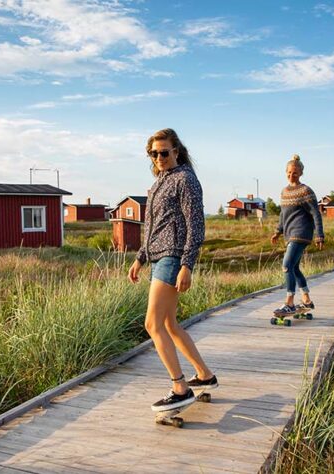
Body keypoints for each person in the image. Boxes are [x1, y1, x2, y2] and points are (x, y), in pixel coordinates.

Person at [127, 128, 217, 412]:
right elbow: (152, 227)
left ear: (176, 151)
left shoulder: (186, 180)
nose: (159, 158)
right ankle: (204, 375)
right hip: (156, 257)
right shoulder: (158, 184)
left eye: (164, 152)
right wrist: (140, 258)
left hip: (173, 257)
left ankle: (180, 387)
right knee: (168, 324)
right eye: (154, 153)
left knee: (152, 324)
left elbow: (196, 226)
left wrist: (187, 264)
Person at [270, 155, 324, 315]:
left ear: (300, 173)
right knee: (295, 267)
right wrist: (277, 232)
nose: (291, 175)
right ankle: (306, 299)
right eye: (288, 172)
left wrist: (319, 234)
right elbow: (283, 215)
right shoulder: (284, 191)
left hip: (301, 233)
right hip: (289, 233)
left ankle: (290, 302)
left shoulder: (305, 191)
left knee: (286, 266)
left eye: (294, 173)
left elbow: (316, 214)